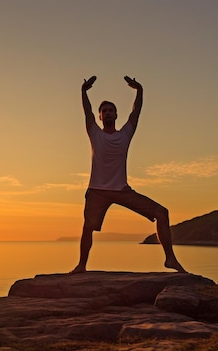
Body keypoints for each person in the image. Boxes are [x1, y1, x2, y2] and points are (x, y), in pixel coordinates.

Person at [70, 75, 186, 274]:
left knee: (161, 213)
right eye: (104, 111)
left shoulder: (125, 134)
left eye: (111, 111)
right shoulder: (94, 133)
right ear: (99, 117)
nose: (107, 113)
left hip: (122, 190)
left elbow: (136, 112)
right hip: (97, 191)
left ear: (116, 115)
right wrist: (83, 92)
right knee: (88, 227)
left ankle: (170, 259)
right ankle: (81, 266)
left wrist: (140, 90)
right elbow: (86, 112)